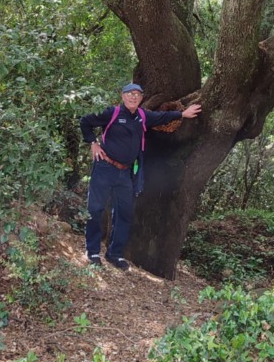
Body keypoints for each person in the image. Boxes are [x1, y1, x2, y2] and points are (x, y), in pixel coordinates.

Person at [79, 83, 202, 270]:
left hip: (125, 173)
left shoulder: (142, 116)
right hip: (105, 167)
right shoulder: (112, 113)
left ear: (141, 98)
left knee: (124, 213)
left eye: (137, 94)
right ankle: (92, 251)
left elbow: (162, 117)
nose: (133, 97)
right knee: (96, 208)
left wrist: (182, 114)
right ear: (123, 96)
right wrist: (93, 142)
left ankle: (114, 254)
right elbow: (85, 121)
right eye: (129, 93)